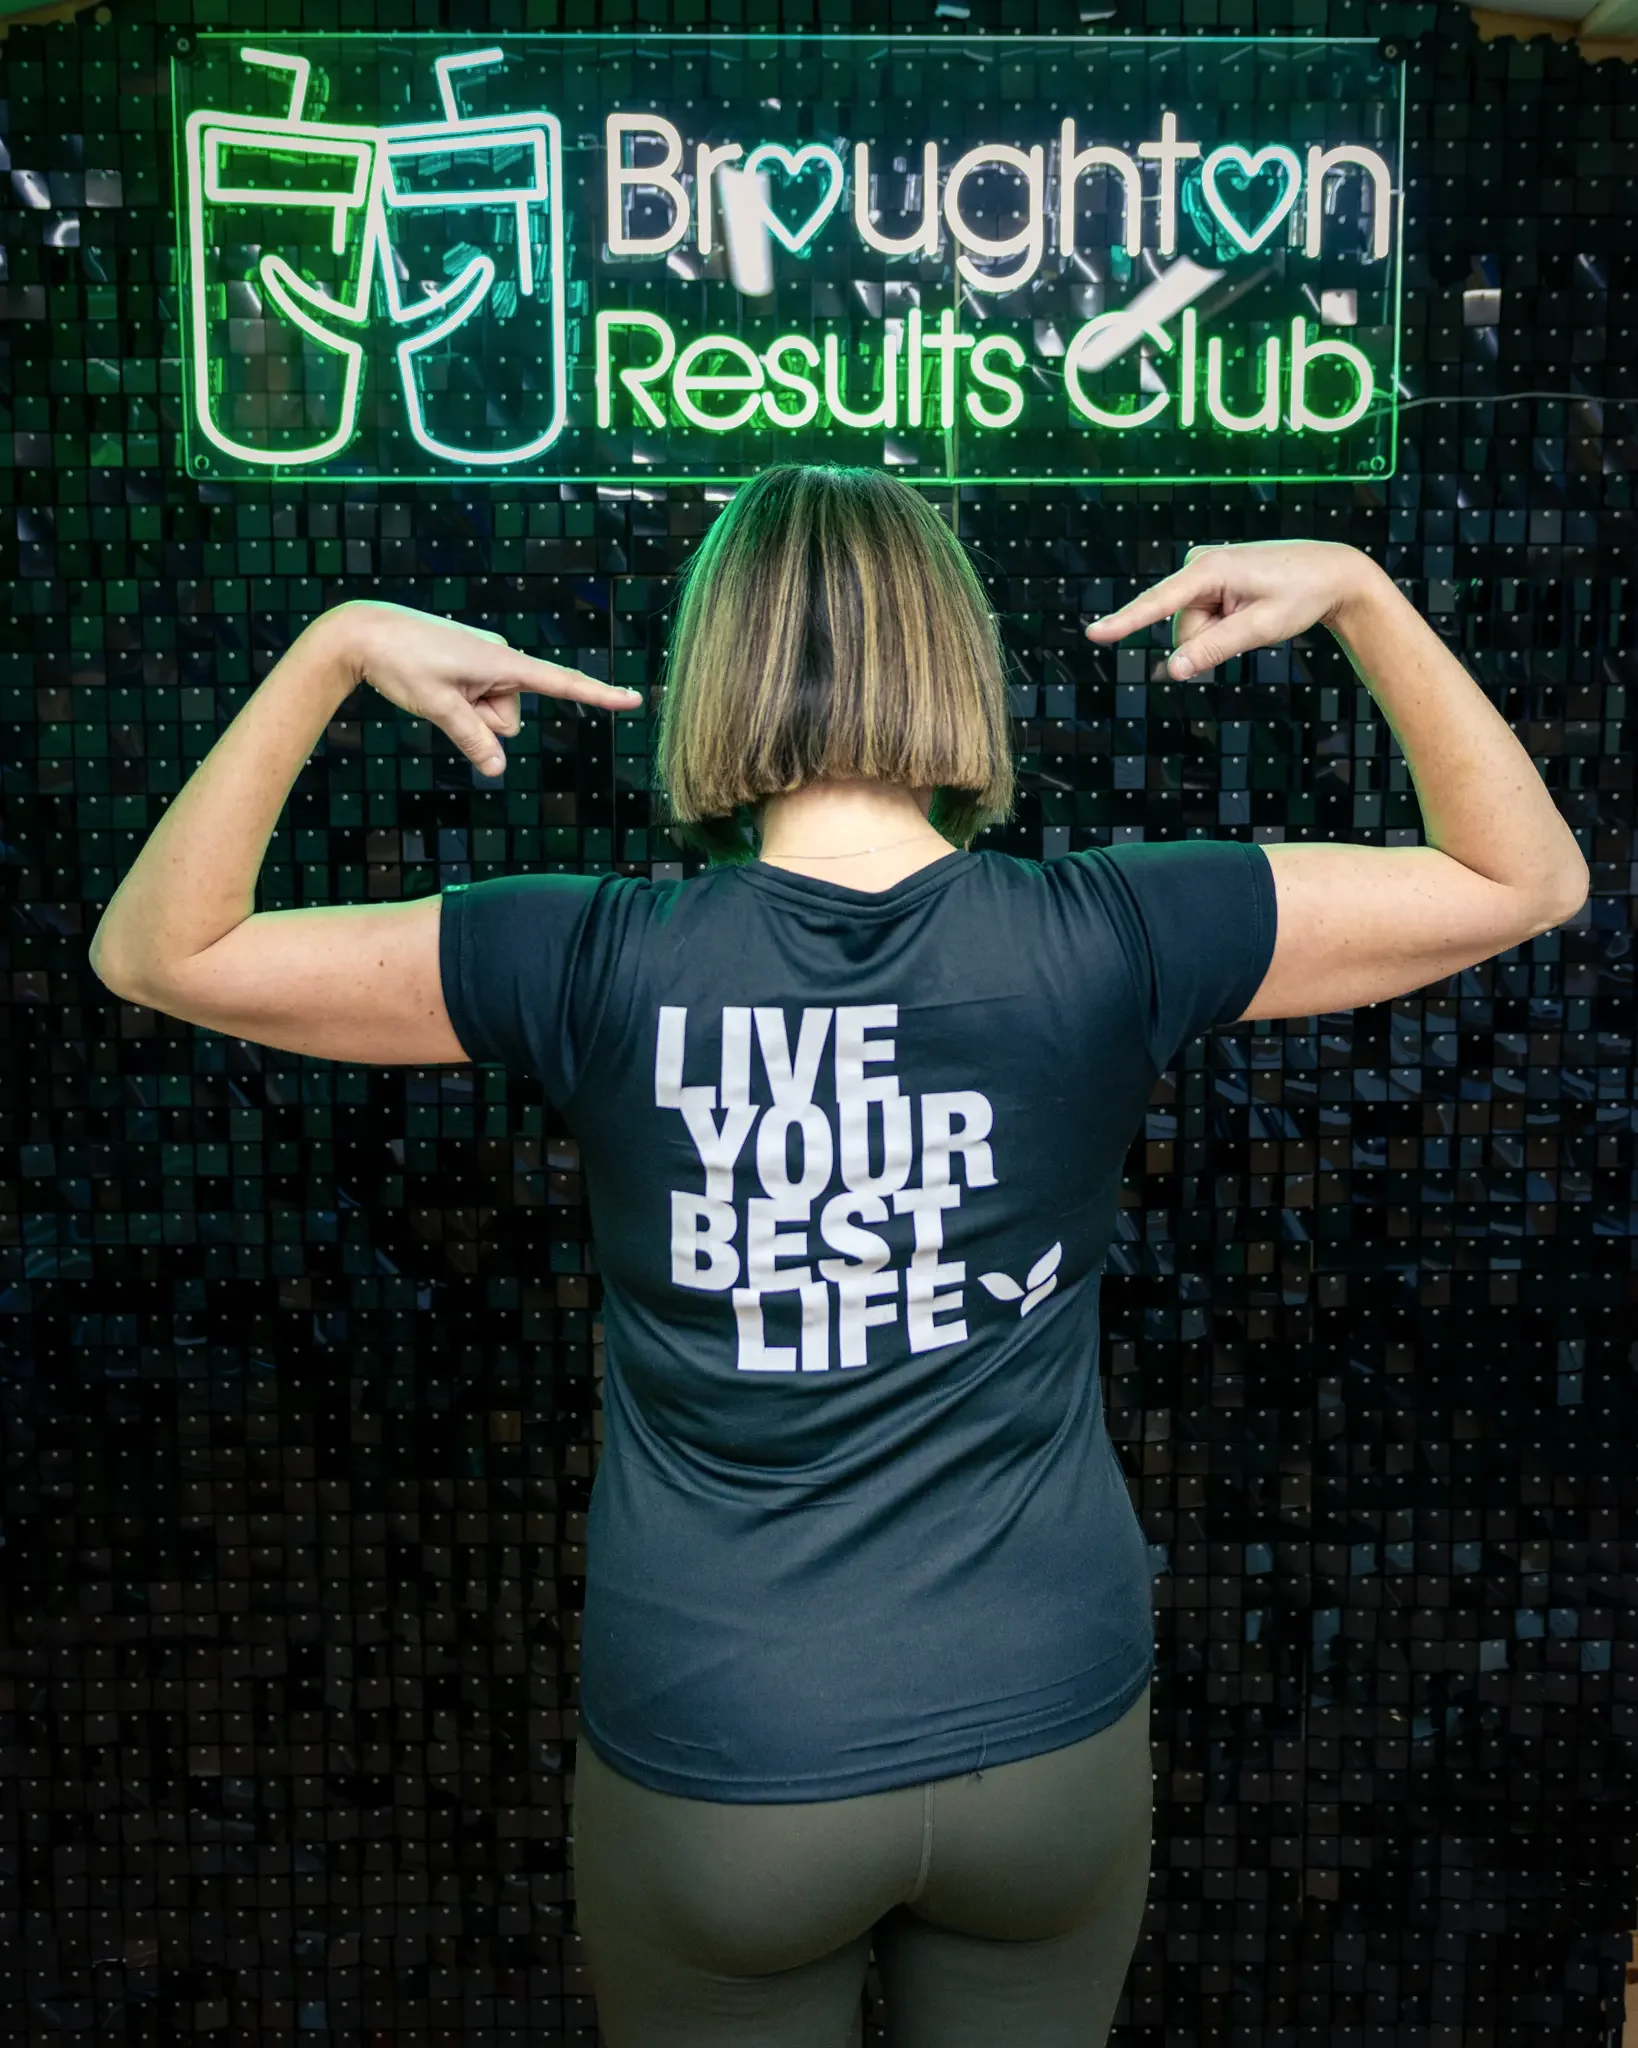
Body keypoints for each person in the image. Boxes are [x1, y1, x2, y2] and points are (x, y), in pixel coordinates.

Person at [88, 464, 1589, 2047]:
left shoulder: (585, 956)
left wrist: (332, 647)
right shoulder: (1114, 933)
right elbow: (1526, 879)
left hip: (725, 1756)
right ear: (949, 660)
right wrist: (1356, 589)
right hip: (1043, 1752)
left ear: (714, 674)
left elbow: (156, 950)